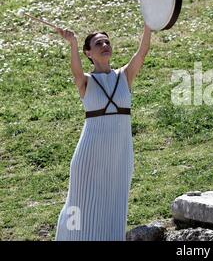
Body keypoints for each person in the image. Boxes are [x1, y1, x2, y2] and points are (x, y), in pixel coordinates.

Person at [54, 24, 152, 240]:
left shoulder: (124, 76)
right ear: (88, 53)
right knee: (79, 205)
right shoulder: (86, 81)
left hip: (119, 156)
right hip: (89, 157)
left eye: (107, 42)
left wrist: (149, 22)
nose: (105, 45)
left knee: (113, 206)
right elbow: (76, 71)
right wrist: (72, 44)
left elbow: (142, 51)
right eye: (99, 43)